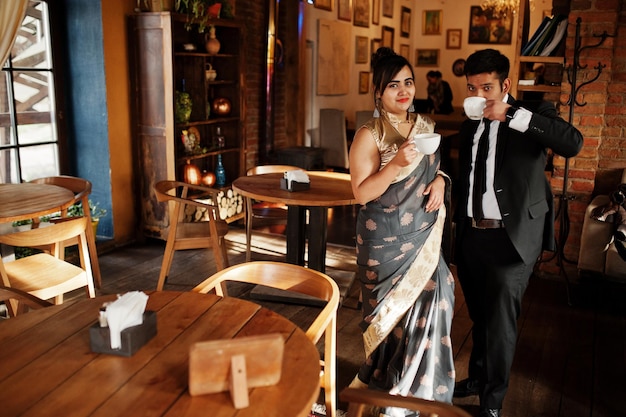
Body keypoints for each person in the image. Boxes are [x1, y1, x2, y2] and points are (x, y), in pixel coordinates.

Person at [452, 49, 583, 417]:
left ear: (505, 85)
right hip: (473, 236)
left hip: (513, 239)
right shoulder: (469, 126)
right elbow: (467, 178)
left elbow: (572, 143)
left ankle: (492, 404)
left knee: (500, 323)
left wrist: (511, 114)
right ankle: (478, 378)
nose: (478, 95)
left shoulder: (534, 114)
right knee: (479, 317)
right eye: (472, 88)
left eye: (486, 87)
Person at [348, 47, 455, 416]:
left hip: (422, 238)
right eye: (393, 85)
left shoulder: (424, 127)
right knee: (391, 321)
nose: (403, 91)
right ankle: (387, 383)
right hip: (383, 242)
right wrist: (395, 163)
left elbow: (433, 169)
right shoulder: (368, 134)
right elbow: (361, 193)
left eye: (408, 82)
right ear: (378, 92)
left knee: (437, 297)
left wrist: (442, 179)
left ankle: (413, 394)